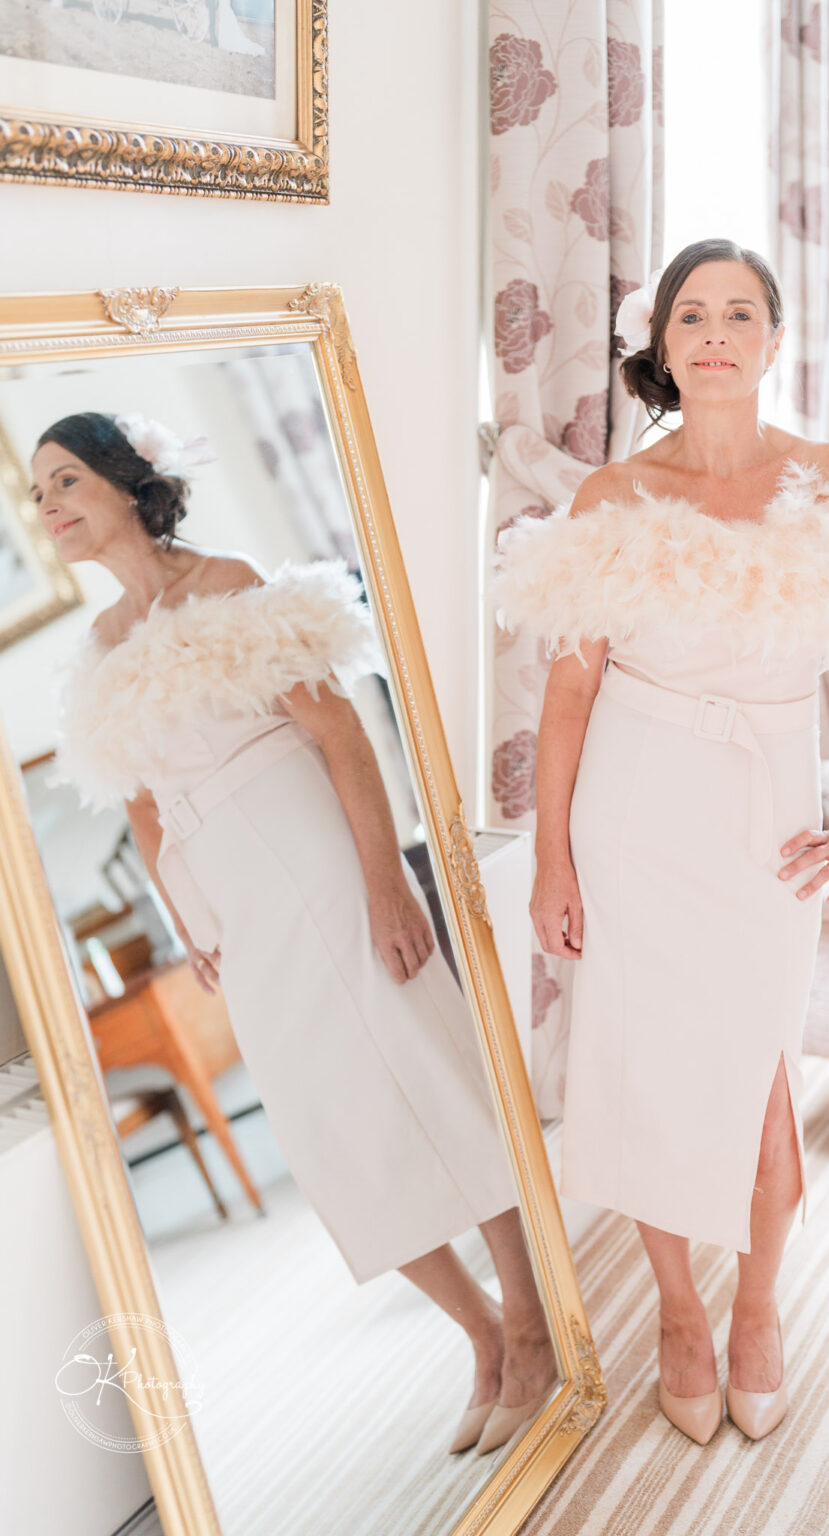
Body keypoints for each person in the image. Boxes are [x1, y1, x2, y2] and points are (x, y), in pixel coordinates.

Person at [492, 239, 829, 1445]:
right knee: (642, 1070)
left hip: (764, 799)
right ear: (659, 345)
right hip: (630, 802)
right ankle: (677, 1314)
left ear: (771, 340)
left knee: (757, 1081)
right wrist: (551, 856)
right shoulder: (610, 498)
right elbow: (566, 698)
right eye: (690, 314)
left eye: (738, 312)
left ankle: (755, 1309)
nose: (713, 331)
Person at [37, 411, 555, 1457]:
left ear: (128, 484)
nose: (47, 510)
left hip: (316, 859)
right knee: (327, 1132)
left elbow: (338, 729)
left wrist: (385, 885)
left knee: (424, 1076)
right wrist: (190, 919)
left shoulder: (226, 585)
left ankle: (537, 1328)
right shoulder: (96, 650)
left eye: (64, 485)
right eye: (36, 496)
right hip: (231, 896)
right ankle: (485, 1336)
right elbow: (137, 801)